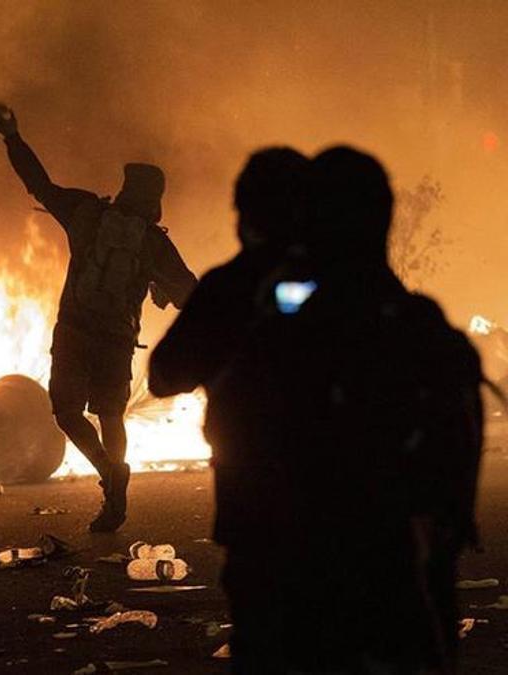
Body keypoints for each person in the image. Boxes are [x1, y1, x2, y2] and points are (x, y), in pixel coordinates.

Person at [206, 147, 483, 672]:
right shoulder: (420, 326)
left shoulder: (286, 327)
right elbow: (456, 474)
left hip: (302, 577)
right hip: (391, 574)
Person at [0, 103, 197, 532]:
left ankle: (107, 471)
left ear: (123, 188)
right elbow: (190, 295)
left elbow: (38, 184)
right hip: (116, 339)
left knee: (66, 412)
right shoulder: (155, 245)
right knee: (111, 415)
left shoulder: (87, 213)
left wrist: (12, 136)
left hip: (74, 331)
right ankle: (116, 486)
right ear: (156, 200)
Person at [149, 147, 309, 670]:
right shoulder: (354, 282)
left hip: (253, 495)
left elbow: (165, 374)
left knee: (263, 632)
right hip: (343, 497)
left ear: (246, 214)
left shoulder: (230, 286)